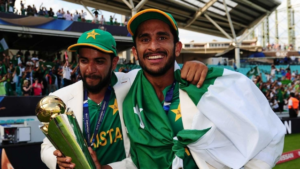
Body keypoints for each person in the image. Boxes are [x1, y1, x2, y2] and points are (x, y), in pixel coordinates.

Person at [122, 9, 285, 169]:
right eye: (145, 39)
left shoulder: (205, 84)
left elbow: (270, 133)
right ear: (135, 52)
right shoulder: (125, 86)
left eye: (162, 37)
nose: (154, 46)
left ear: (177, 48)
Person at [41, 29, 208, 169]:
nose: (90, 69)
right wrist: (57, 161)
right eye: (84, 61)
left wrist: (195, 64)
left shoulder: (132, 83)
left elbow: (162, 70)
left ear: (114, 63)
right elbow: (46, 146)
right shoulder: (61, 98)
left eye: (99, 62)